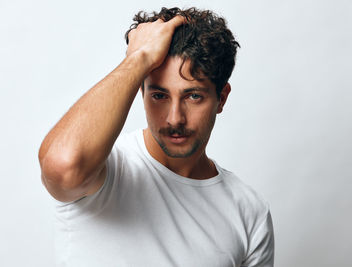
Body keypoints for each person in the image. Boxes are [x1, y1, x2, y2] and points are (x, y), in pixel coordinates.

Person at [38, 7, 274, 267]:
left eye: (193, 96)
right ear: (140, 91)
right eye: (159, 96)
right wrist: (138, 59)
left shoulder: (248, 212)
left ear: (222, 98)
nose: (175, 118)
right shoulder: (104, 171)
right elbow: (61, 167)